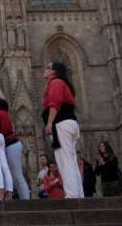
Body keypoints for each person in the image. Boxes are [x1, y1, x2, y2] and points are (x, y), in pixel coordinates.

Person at [42, 61, 83, 198]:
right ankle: (78, 193)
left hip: (61, 123)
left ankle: (71, 194)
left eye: (47, 67)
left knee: (65, 161)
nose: (45, 69)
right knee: (71, 160)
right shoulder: (63, 83)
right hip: (70, 123)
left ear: (54, 71)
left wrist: (49, 123)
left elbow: (55, 104)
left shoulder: (56, 83)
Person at [0, 98, 31, 200]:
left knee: (17, 174)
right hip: (10, 145)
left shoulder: (1, 114)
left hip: (11, 145)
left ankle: (25, 199)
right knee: (12, 174)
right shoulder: (4, 115)